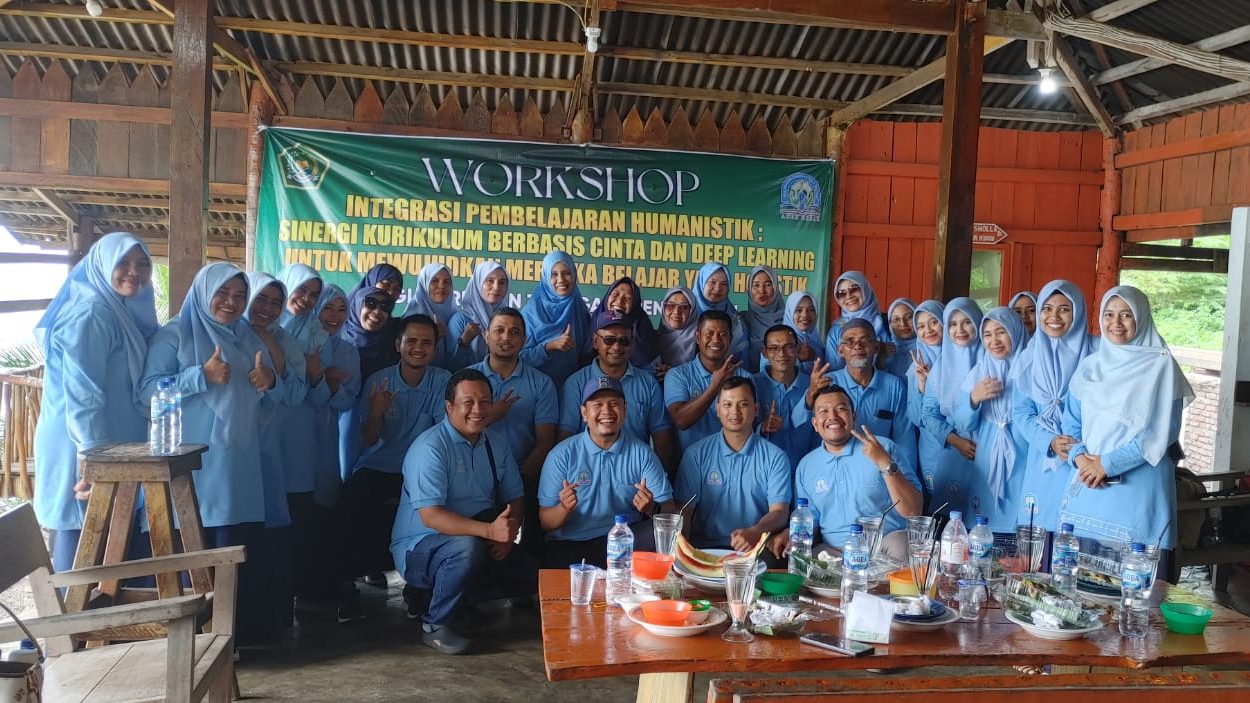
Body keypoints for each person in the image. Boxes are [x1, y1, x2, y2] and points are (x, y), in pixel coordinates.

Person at [140, 263, 273, 643]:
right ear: (203, 292)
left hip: (239, 468)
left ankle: (229, 641)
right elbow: (147, 392)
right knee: (193, 554)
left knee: (232, 556)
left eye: (240, 295)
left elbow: (264, 394)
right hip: (194, 469)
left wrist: (269, 381)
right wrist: (200, 376)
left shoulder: (246, 336)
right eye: (223, 293)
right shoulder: (175, 335)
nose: (232, 302)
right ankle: (192, 642)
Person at [33, 232, 157, 573]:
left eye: (142, 264)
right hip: (83, 444)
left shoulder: (118, 310)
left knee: (110, 543)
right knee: (84, 546)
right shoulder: (90, 313)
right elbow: (82, 394)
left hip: (109, 446)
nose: (134, 272)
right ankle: (75, 610)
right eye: (123, 263)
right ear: (102, 264)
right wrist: (93, 460)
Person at [391, 369, 535, 655]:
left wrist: (509, 534)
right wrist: (489, 531)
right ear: (449, 407)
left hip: (478, 533)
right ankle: (435, 624)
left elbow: (515, 496)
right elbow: (431, 516)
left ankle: (461, 601)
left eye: (485, 401)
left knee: (528, 575)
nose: (478, 410)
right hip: (420, 546)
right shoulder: (430, 448)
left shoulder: (496, 442)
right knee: (466, 550)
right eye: (468, 402)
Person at [335, 314, 451, 622]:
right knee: (349, 502)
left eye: (426, 342)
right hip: (379, 465)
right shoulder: (379, 381)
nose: (418, 348)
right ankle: (345, 587)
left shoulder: (443, 381)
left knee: (438, 508)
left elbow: (441, 438)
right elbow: (369, 439)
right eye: (411, 341)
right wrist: (376, 413)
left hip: (422, 469)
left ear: (435, 348)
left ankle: (418, 587)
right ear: (398, 344)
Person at [1061, 286, 1192, 553]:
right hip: (1089, 484)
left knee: (1137, 571)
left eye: (1126, 314)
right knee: (1079, 570)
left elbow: (1163, 431)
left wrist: (1107, 464)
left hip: (1138, 488)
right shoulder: (1090, 366)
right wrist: (1080, 458)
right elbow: (1071, 421)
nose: (1116, 323)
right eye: (1109, 314)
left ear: (1141, 317)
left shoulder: (1162, 367)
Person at [538, 376, 675, 567]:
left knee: (660, 536)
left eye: (614, 404)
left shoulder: (642, 453)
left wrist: (651, 508)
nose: (607, 411)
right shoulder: (561, 455)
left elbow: (670, 513)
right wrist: (563, 508)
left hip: (624, 542)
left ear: (625, 410)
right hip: (572, 542)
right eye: (597, 405)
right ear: (584, 413)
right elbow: (546, 521)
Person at [779, 385, 922, 562]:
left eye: (841, 409)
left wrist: (884, 462)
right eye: (824, 411)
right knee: (802, 558)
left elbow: (913, 510)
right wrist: (793, 538)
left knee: (902, 544)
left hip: (883, 548)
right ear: (815, 424)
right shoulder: (806, 466)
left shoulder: (883, 447)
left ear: (853, 417)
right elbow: (810, 524)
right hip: (834, 553)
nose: (832, 416)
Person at [244, 271, 308, 638]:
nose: (267, 308)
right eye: (261, 299)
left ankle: (270, 620)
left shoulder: (284, 338)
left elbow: (297, 392)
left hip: (269, 443)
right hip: (230, 446)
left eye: (275, 302)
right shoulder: (228, 333)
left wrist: (275, 372)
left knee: (271, 531)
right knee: (238, 531)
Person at [468, 307, 558, 554]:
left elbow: (545, 442)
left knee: (525, 553)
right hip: (471, 477)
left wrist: (517, 480)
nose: (506, 337)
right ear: (486, 335)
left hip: (524, 475)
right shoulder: (467, 380)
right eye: (499, 330)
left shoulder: (541, 383)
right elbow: (454, 434)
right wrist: (491, 416)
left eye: (514, 332)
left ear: (524, 340)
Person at [676, 377, 791, 567]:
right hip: (704, 549)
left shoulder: (775, 457)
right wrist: (684, 557)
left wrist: (756, 531)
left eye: (743, 404)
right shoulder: (696, 454)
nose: (735, 412)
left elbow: (779, 512)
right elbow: (685, 510)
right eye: (727, 405)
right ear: (717, 409)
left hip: (754, 550)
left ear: (755, 409)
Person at [1012, 280, 1096, 532]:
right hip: (1044, 457)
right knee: (1039, 531)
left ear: (1078, 312)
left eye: (1064, 309)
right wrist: (1049, 441)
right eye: (1047, 309)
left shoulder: (1097, 352)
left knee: (1077, 530)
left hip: (1088, 456)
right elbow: (1021, 412)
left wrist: (1077, 444)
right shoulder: (1030, 356)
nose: (1054, 317)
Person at [560, 309, 677, 473]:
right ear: (595, 341)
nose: (617, 346)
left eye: (624, 340)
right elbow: (566, 437)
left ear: (633, 344)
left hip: (637, 473)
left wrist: (658, 477)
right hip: (587, 473)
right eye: (609, 340)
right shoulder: (576, 383)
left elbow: (661, 437)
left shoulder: (649, 383)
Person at [303, 283, 360, 602]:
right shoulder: (296, 341)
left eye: (341, 310)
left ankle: (319, 587)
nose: (335, 316)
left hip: (326, 436)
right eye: (328, 308)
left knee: (324, 506)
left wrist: (330, 385)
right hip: (291, 433)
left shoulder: (347, 351)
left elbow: (347, 401)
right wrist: (324, 381)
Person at [953, 307, 1027, 535]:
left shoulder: (1031, 367)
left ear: (1015, 332)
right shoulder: (979, 371)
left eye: (1001, 332)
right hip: (987, 453)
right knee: (983, 519)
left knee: (1020, 515)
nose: (994, 341)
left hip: (1023, 453)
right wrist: (974, 398)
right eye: (987, 334)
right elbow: (962, 424)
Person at [819, 318, 918, 481]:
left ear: (876, 347)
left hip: (880, 472)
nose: (857, 346)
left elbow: (904, 439)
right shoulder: (826, 383)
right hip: (836, 471)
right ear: (840, 350)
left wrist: (907, 480)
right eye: (850, 341)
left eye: (864, 340)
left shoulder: (894, 386)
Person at [919, 298, 983, 517]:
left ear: (978, 323)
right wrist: (956, 441)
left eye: (967, 322)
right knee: (949, 523)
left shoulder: (991, 360)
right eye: (953, 324)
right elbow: (928, 414)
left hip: (988, 452)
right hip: (955, 452)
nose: (960, 330)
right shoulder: (941, 367)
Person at [664, 310, 752, 452]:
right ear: (698, 338)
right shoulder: (677, 375)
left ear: (730, 339)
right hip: (692, 461)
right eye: (709, 333)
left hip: (735, 460)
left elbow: (751, 424)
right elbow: (681, 420)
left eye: (722, 334)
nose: (716, 340)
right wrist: (715, 386)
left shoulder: (745, 377)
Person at [338, 286, 399, 478]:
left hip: (381, 415)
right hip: (343, 415)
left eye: (385, 307)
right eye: (370, 303)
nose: (377, 312)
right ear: (357, 305)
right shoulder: (338, 342)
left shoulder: (391, 345)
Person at [521, 250, 590, 387]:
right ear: (545, 277)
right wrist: (549, 347)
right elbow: (517, 359)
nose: (561, 280)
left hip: (574, 388)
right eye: (554, 274)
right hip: (536, 388)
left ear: (574, 274)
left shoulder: (579, 308)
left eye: (566, 273)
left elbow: (587, 353)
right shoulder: (530, 313)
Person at [753, 324, 816, 469]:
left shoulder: (812, 385)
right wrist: (762, 427)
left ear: (797, 349)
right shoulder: (753, 384)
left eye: (788, 347)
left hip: (806, 467)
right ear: (765, 352)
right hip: (763, 468)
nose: (782, 354)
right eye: (774, 348)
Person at [906, 300, 945, 507]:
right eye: (920, 326)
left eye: (933, 322)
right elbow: (915, 417)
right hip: (931, 448)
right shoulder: (916, 367)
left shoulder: (965, 360)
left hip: (964, 446)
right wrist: (923, 385)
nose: (927, 330)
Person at [448, 261, 510, 369]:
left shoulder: (508, 320)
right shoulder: (460, 320)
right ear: (478, 283)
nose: (496, 287)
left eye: (502, 282)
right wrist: (464, 342)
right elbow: (450, 367)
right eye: (490, 281)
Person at [823, 271, 890, 370]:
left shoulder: (888, 323)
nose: (849, 296)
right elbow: (832, 370)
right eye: (842, 293)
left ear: (865, 289)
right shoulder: (836, 330)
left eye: (854, 288)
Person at [589, 276, 659, 367]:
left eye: (628, 298)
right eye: (615, 294)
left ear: (634, 304)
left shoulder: (644, 331)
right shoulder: (592, 325)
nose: (619, 301)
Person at [690, 262, 748, 358]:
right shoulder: (686, 314)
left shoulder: (735, 320)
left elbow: (742, 357)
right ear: (702, 282)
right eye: (712, 282)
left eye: (724, 284)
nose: (717, 288)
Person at [408, 263, 457, 369]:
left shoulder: (456, 316)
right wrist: (435, 337)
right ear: (424, 283)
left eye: (446, 282)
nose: (441, 286)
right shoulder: (412, 318)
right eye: (434, 281)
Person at [741, 266, 785, 373]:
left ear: (775, 288)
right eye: (756, 285)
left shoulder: (787, 321)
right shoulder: (740, 320)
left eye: (768, 285)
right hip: (743, 380)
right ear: (749, 289)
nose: (762, 290)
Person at [655, 287, 697, 373]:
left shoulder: (700, 342)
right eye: (671, 305)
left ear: (692, 311)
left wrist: (675, 374)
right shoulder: (649, 339)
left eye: (684, 307)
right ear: (663, 308)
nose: (677, 311)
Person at [784, 291, 823, 373]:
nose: (805, 315)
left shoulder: (815, 339)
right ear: (790, 313)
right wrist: (798, 360)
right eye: (798, 310)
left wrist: (814, 357)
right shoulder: (778, 339)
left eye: (811, 310)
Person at [885, 298, 918, 379]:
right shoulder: (885, 351)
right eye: (896, 319)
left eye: (908, 317)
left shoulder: (928, 349)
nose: (903, 324)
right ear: (890, 324)